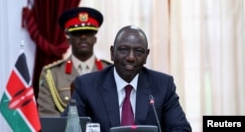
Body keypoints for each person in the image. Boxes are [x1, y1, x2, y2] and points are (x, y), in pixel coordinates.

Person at [62, 25, 192, 132]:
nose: (131, 57)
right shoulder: (87, 85)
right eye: (124, 50)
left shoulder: (163, 85)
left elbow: (181, 129)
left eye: (139, 52)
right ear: (112, 53)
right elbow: (65, 128)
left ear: (146, 56)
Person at [37, 7, 112, 116]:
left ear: (95, 39)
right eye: (77, 33)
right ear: (68, 40)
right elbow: (47, 116)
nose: (83, 37)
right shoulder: (52, 74)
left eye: (88, 32)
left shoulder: (110, 71)